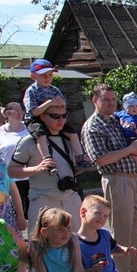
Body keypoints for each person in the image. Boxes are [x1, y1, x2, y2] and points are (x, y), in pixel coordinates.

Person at [81, 83, 137, 272]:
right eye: (105, 100)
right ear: (95, 101)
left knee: (136, 226)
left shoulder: (116, 120)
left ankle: (135, 269)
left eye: (113, 99)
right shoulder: (93, 126)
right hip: (116, 178)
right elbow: (100, 158)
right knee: (121, 228)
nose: (110, 103)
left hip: (132, 177)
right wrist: (130, 150)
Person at [9, 99, 82, 239]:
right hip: (44, 202)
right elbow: (12, 170)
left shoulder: (70, 138)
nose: (61, 120)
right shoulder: (29, 141)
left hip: (71, 199)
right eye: (55, 116)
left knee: (77, 243)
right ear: (42, 117)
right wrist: (37, 169)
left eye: (64, 116)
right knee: (41, 244)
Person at [23, 59, 92, 173]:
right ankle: (47, 159)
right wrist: (50, 103)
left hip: (54, 117)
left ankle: (80, 156)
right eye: (43, 75)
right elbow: (34, 112)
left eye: (50, 75)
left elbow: (63, 105)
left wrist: (59, 104)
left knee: (72, 133)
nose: (47, 78)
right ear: (33, 76)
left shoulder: (54, 90)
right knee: (40, 134)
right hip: (35, 119)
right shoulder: (31, 91)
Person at [0, 102, 30, 218]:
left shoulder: (29, 128)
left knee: (32, 210)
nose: (20, 114)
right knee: (16, 211)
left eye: (21, 111)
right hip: (11, 178)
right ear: (8, 113)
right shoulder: (0, 132)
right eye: (16, 111)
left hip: (30, 175)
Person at [115, 92, 137, 180]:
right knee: (125, 154)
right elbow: (113, 116)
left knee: (134, 154)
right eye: (131, 106)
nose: (134, 108)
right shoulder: (121, 114)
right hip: (124, 138)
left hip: (136, 138)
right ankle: (134, 168)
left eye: (136, 106)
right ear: (125, 107)